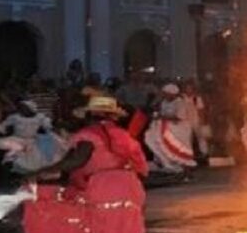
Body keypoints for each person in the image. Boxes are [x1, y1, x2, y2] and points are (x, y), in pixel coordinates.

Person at [16, 96, 148, 233]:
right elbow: (141, 168)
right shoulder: (124, 135)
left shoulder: (89, 134)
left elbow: (77, 160)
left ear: (91, 114)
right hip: (130, 186)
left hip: (104, 186)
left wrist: (39, 173)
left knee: (100, 225)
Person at [0, 100, 64, 174]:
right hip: (17, 139)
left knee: (34, 157)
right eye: (21, 107)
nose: (22, 109)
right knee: (12, 151)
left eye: (24, 107)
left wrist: (53, 130)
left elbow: (48, 126)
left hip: (32, 140)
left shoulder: (40, 117)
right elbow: (3, 126)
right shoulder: (15, 117)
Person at [144, 83, 197, 175]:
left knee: (178, 149)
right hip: (167, 128)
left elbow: (179, 117)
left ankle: (183, 167)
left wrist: (162, 117)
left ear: (172, 94)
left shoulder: (180, 103)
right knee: (154, 138)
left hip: (180, 129)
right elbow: (161, 113)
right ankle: (164, 162)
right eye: (164, 94)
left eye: (166, 94)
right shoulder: (164, 102)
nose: (164, 95)